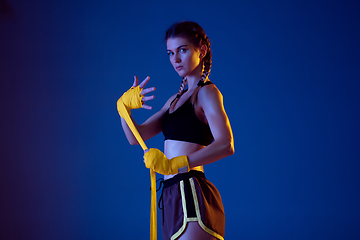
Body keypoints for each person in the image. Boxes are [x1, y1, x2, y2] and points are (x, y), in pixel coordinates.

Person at [118, 21, 234, 240]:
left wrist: (176, 164)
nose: (175, 59)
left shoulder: (207, 93)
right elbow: (136, 137)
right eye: (171, 53)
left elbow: (226, 144)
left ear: (202, 50)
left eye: (183, 50)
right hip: (171, 193)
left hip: (191, 191)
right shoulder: (174, 101)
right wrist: (124, 108)